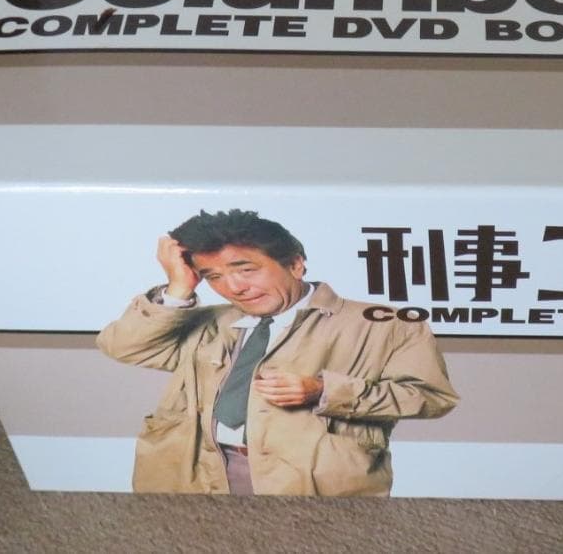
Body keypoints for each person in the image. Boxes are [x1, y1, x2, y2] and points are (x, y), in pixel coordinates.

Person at [97, 209, 458, 495]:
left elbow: (432, 397)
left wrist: (326, 391)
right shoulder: (205, 322)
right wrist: (178, 287)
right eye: (214, 277)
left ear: (295, 264)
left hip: (312, 485)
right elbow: (124, 347)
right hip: (194, 474)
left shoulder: (386, 324)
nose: (234, 287)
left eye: (246, 269)